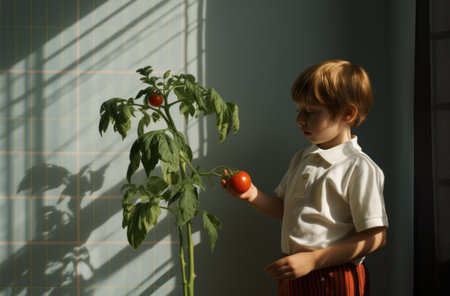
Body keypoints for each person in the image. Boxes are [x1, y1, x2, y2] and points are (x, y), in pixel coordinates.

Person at [221, 60, 389, 296]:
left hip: (333, 275)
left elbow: (376, 237)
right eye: (298, 110)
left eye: (310, 111)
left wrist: (313, 261)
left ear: (347, 113)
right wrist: (251, 195)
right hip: (295, 270)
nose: (299, 119)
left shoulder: (359, 167)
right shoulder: (302, 158)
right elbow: (282, 208)